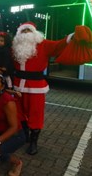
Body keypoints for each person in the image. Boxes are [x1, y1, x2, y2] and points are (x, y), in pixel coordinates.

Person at [11, 21, 73, 155]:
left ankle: (34, 143)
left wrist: (70, 38)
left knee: (35, 114)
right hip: (18, 85)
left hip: (35, 87)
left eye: (28, 31)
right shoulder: (15, 46)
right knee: (19, 112)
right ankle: (25, 137)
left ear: (34, 33)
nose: (25, 34)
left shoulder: (44, 45)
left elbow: (58, 45)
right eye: (23, 31)